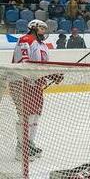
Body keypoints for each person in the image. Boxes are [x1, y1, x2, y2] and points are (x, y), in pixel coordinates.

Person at [11, 20, 63, 161]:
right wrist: (47, 75)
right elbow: (25, 63)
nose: (44, 31)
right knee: (25, 116)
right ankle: (21, 147)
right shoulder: (25, 40)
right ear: (33, 27)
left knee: (34, 115)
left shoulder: (43, 46)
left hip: (36, 84)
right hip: (22, 82)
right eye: (41, 28)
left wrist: (51, 75)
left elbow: (43, 66)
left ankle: (29, 143)